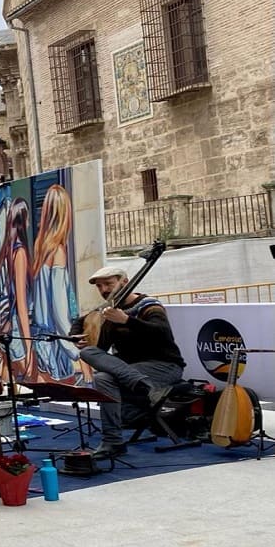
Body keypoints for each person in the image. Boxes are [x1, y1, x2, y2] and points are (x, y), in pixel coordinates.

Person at [70, 266, 185, 459]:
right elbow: (79, 322)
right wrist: (75, 336)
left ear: (124, 282)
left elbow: (162, 332)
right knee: (90, 355)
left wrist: (127, 320)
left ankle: (140, 387)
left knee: (105, 377)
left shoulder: (148, 304)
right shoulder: (105, 311)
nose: (104, 289)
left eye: (108, 284)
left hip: (164, 366)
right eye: (99, 286)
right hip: (131, 371)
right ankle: (113, 440)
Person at [30, 185, 83, 383]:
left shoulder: (40, 245)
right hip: (55, 343)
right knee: (66, 400)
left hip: (42, 339)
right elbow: (60, 309)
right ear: (64, 214)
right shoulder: (57, 251)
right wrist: (74, 347)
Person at [0, 197, 33, 381]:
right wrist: (29, 346)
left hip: (3, 323)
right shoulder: (19, 253)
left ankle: (4, 401)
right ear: (23, 220)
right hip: (14, 325)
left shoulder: (5, 251)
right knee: (28, 374)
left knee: (8, 367)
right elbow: (21, 304)